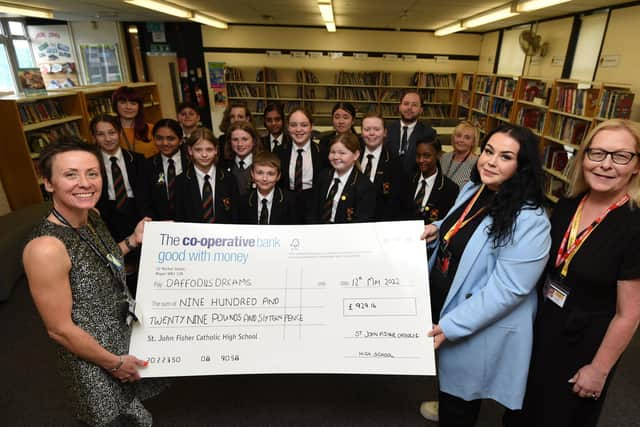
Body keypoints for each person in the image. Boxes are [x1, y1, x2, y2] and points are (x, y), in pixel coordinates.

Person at [506, 119, 640, 427]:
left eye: (620, 156)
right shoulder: (569, 203)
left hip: (584, 345)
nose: (606, 165)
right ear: (584, 158)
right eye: (597, 153)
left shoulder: (634, 225)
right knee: (521, 413)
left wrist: (599, 369)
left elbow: (628, 315)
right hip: (543, 326)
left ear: (635, 166)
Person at [23, 137, 165, 426]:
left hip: (120, 340)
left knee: (136, 416)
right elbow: (60, 330)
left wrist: (132, 241)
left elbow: (102, 260)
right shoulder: (45, 248)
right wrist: (113, 363)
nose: (85, 183)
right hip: (94, 361)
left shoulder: (92, 216)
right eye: (70, 174)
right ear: (48, 183)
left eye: (92, 173)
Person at [420, 123, 551, 427]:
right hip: (449, 301)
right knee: (451, 391)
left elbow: (509, 290)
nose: (490, 161)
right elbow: (463, 226)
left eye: (505, 157)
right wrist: (437, 229)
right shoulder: (475, 188)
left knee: (460, 403)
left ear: (522, 167)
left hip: (476, 319)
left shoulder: (531, 219)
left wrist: (451, 325)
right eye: (489, 151)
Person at [92, 114, 144, 243]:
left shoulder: (137, 160)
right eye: (101, 134)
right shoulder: (90, 163)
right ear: (94, 137)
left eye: (112, 133)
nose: (108, 139)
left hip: (135, 211)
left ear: (119, 133)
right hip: (106, 214)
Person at [175, 127, 237, 223]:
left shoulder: (229, 179)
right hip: (193, 236)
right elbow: (179, 216)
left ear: (216, 150)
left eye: (209, 149)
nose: (204, 155)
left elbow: (235, 214)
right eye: (198, 150)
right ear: (190, 150)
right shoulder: (180, 181)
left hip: (224, 235)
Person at [277, 108, 329, 224]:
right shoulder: (278, 152)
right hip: (286, 206)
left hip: (313, 206)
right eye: (293, 125)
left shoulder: (323, 153)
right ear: (288, 127)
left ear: (311, 127)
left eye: (304, 125)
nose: (298, 129)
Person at [310, 132, 375, 223]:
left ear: (356, 155)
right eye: (333, 152)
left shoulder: (364, 186)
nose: (336, 157)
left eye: (342, 153)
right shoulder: (324, 176)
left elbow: (362, 221)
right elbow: (313, 211)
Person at [136, 119, 189, 221]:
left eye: (171, 139)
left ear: (181, 140)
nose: (165, 143)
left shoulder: (192, 162)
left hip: (190, 223)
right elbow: (143, 201)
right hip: (159, 224)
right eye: (159, 138)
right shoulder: (146, 165)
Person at [359, 111, 406, 220]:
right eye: (367, 129)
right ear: (361, 132)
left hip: (381, 220)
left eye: (376, 129)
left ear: (385, 132)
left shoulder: (395, 162)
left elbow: (395, 199)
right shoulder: (352, 155)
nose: (371, 133)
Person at [406, 137, 458, 225]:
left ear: (438, 155)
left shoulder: (450, 188)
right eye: (418, 155)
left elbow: (448, 222)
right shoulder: (407, 181)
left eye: (426, 155)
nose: (421, 160)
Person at [237, 151, 297, 225]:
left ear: (278, 176)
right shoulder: (243, 201)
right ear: (252, 173)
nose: (264, 178)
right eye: (260, 173)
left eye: (270, 174)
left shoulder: (290, 201)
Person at [385, 91, 437, 175]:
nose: (409, 108)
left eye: (414, 105)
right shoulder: (387, 130)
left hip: (415, 180)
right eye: (406, 104)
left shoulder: (429, 133)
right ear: (400, 107)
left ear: (421, 110)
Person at [111, 86, 157, 158]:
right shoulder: (109, 131)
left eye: (133, 103)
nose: (128, 107)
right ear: (115, 105)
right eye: (123, 102)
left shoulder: (152, 129)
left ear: (139, 106)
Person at [221, 121, 263, 196]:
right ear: (230, 142)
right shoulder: (223, 166)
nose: (240, 144)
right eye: (235, 140)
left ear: (253, 141)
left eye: (245, 139)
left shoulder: (263, 164)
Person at [440, 120, 479, 188]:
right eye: (458, 136)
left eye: (467, 138)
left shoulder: (476, 164)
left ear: (473, 142)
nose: (461, 140)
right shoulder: (444, 157)